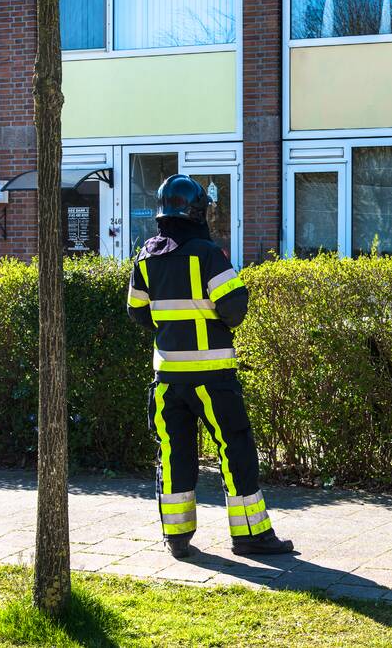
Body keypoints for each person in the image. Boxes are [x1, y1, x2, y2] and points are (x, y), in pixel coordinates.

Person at [127, 174, 293, 559]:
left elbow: (137, 311)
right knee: (235, 449)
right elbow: (234, 309)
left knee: (174, 454)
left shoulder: (146, 257)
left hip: (167, 378)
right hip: (212, 377)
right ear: (197, 211)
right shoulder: (207, 253)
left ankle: (177, 537)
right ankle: (250, 536)